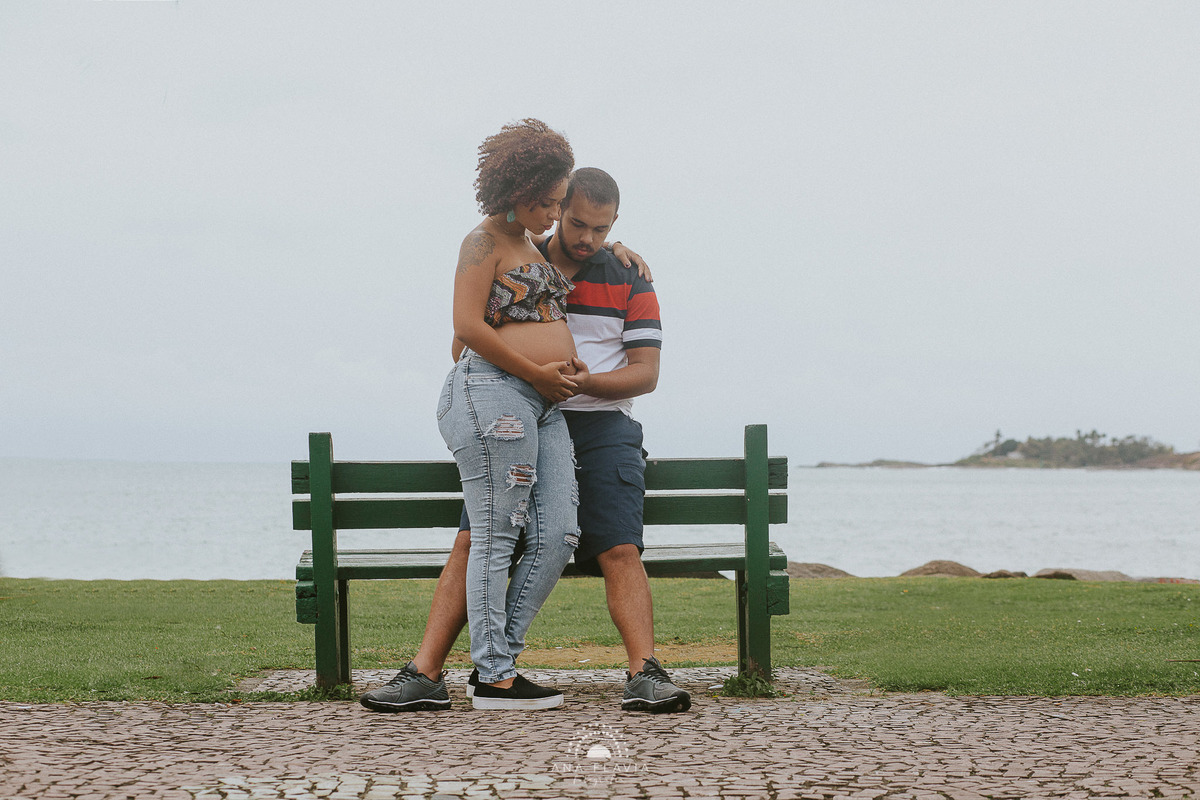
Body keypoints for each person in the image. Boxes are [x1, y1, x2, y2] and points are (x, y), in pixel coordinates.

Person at [361, 167, 691, 713]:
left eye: (602, 229)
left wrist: (584, 384)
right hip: (520, 416)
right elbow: (463, 342)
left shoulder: (632, 277)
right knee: (475, 539)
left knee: (618, 546)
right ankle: (425, 672)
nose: (588, 238)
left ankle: (644, 673)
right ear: (557, 207)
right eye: (577, 221)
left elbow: (646, 373)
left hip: (601, 423)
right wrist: (532, 377)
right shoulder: (519, 254)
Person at [431, 118, 580, 711]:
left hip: (541, 405)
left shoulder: (532, 247)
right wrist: (536, 370)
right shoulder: (483, 242)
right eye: (547, 202)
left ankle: (500, 662)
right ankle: (493, 677)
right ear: (518, 192)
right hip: (493, 396)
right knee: (498, 534)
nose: (554, 212)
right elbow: (464, 329)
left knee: (558, 534)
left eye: (558, 202)